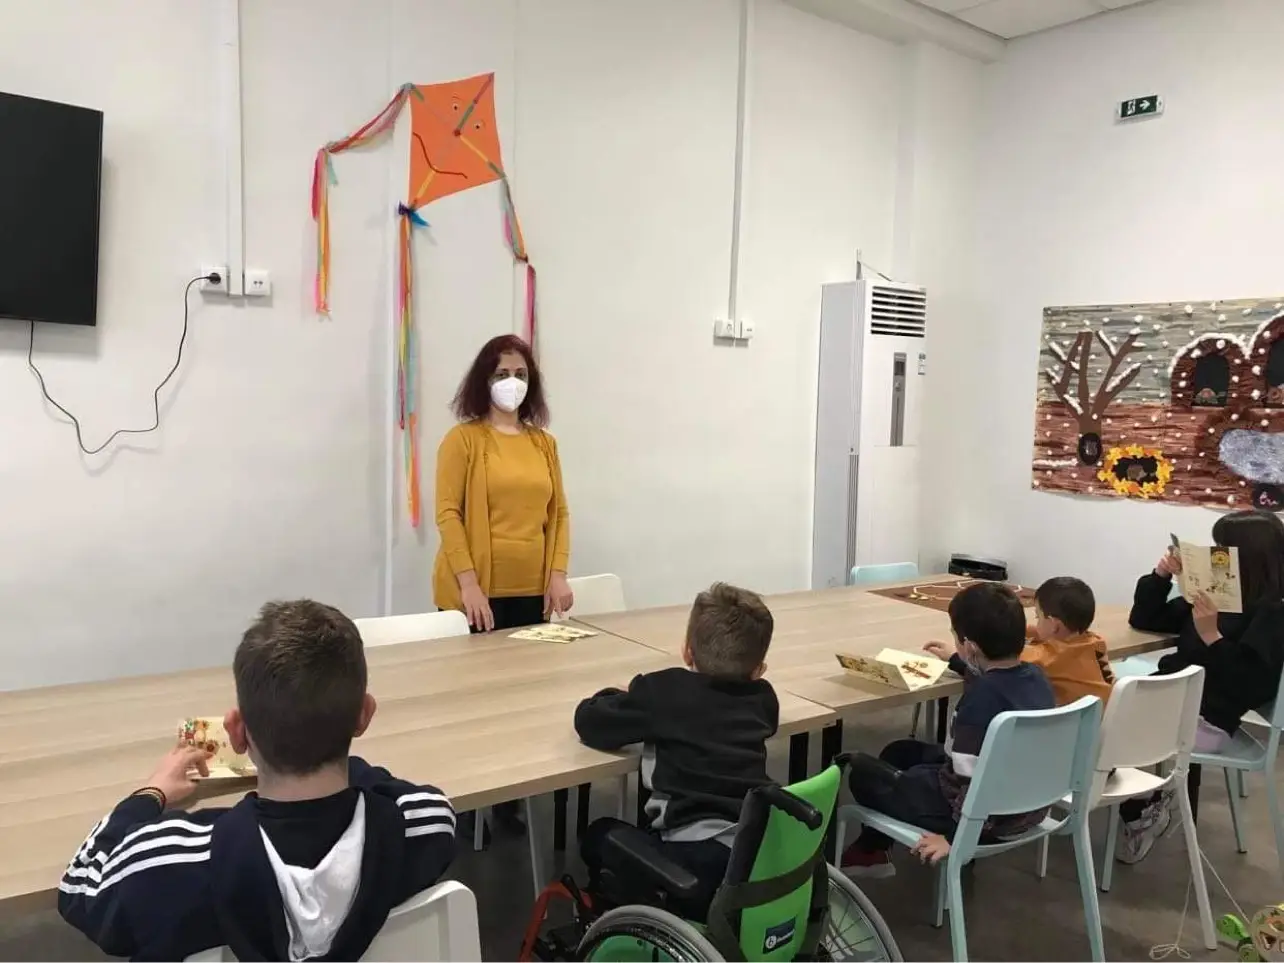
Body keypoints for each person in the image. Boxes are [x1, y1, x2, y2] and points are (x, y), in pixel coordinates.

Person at [58, 600, 456, 961]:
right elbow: (408, 797)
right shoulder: (422, 829)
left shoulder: (165, 865)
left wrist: (151, 793)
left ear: (237, 732)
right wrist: (334, 746)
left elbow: (79, 884)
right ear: (364, 716)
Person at [573, 583, 778, 920]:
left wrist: (622, 697)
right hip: (756, 849)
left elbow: (590, 722)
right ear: (759, 670)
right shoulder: (764, 699)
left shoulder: (662, 692)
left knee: (599, 835)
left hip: (695, 864)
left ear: (687, 652)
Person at [841, 582, 1055, 878]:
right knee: (899, 752)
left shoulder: (979, 703)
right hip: (1026, 804)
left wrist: (956, 839)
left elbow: (971, 783)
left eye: (956, 638)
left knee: (864, 776)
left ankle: (869, 852)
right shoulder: (1035, 677)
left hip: (979, 817)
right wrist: (957, 661)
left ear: (971, 647)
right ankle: (872, 851)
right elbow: (993, 682)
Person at [1117, 510, 1284, 863]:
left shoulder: (1271, 611)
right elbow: (1145, 619)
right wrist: (1161, 575)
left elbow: (1252, 685)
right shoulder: (1219, 595)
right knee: (1100, 711)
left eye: (1223, 549)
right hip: (1170, 699)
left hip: (1208, 719)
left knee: (1103, 730)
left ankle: (1143, 809)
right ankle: (1145, 802)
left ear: (1248, 558)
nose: (1214, 556)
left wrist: (1212, 637)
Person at [434, 334, 572, 633]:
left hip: (534, 594)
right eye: (502, 374)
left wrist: (558, 574)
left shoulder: (545, 444)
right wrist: (468, 584)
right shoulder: (462, 440)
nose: (513, 382)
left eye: (521, 375)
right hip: (476, 595)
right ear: (484, 381)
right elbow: (448, 515)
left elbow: (559, 514)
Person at [1023, 576, 1115, 706]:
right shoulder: (1097, 642)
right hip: (1106, 712)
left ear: (1054, 624)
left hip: (1078, 718)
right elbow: (1046, 633)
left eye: (1038, 617)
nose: (1037, 622)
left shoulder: (1047, 658)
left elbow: (1008, 655)